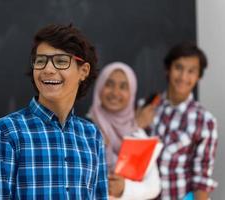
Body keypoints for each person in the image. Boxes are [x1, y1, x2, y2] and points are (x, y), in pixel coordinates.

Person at [0, 24, 108, 199]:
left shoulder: (92, 135)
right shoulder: (7, 131)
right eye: (40, 61)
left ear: (83, 71)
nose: (47, 69)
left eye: (61, 61)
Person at [141, 42, 218, 200]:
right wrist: (137, 125)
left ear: (198, 77)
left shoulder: (204, 120)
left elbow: (201, 180)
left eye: (191, 71)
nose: (183, 77)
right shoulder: (146, 107)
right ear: (167, 69)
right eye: (178, 67)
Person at [87, 62, 161, 199]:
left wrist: (124, 188)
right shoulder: (84, 129)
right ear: (99, 87)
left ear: (132, 92)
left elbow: (154, 187)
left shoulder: (138, 135)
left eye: (123, 87)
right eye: (109, 84)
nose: (115, 92)